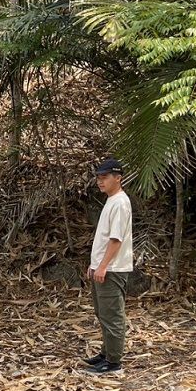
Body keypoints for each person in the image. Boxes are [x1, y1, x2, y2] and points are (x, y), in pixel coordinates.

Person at [83, 157, 133, 374]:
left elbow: (116, 239)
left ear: (118, 178)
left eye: (104, 178)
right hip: (103, 267)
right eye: (98, 178)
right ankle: (106, 353)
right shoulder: (111, 201)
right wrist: (95, 265)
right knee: (103, 313)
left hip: (113, 269)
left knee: (112, 315)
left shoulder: (121, 202)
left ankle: (113, 363)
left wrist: (103, 266)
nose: (100, 182)